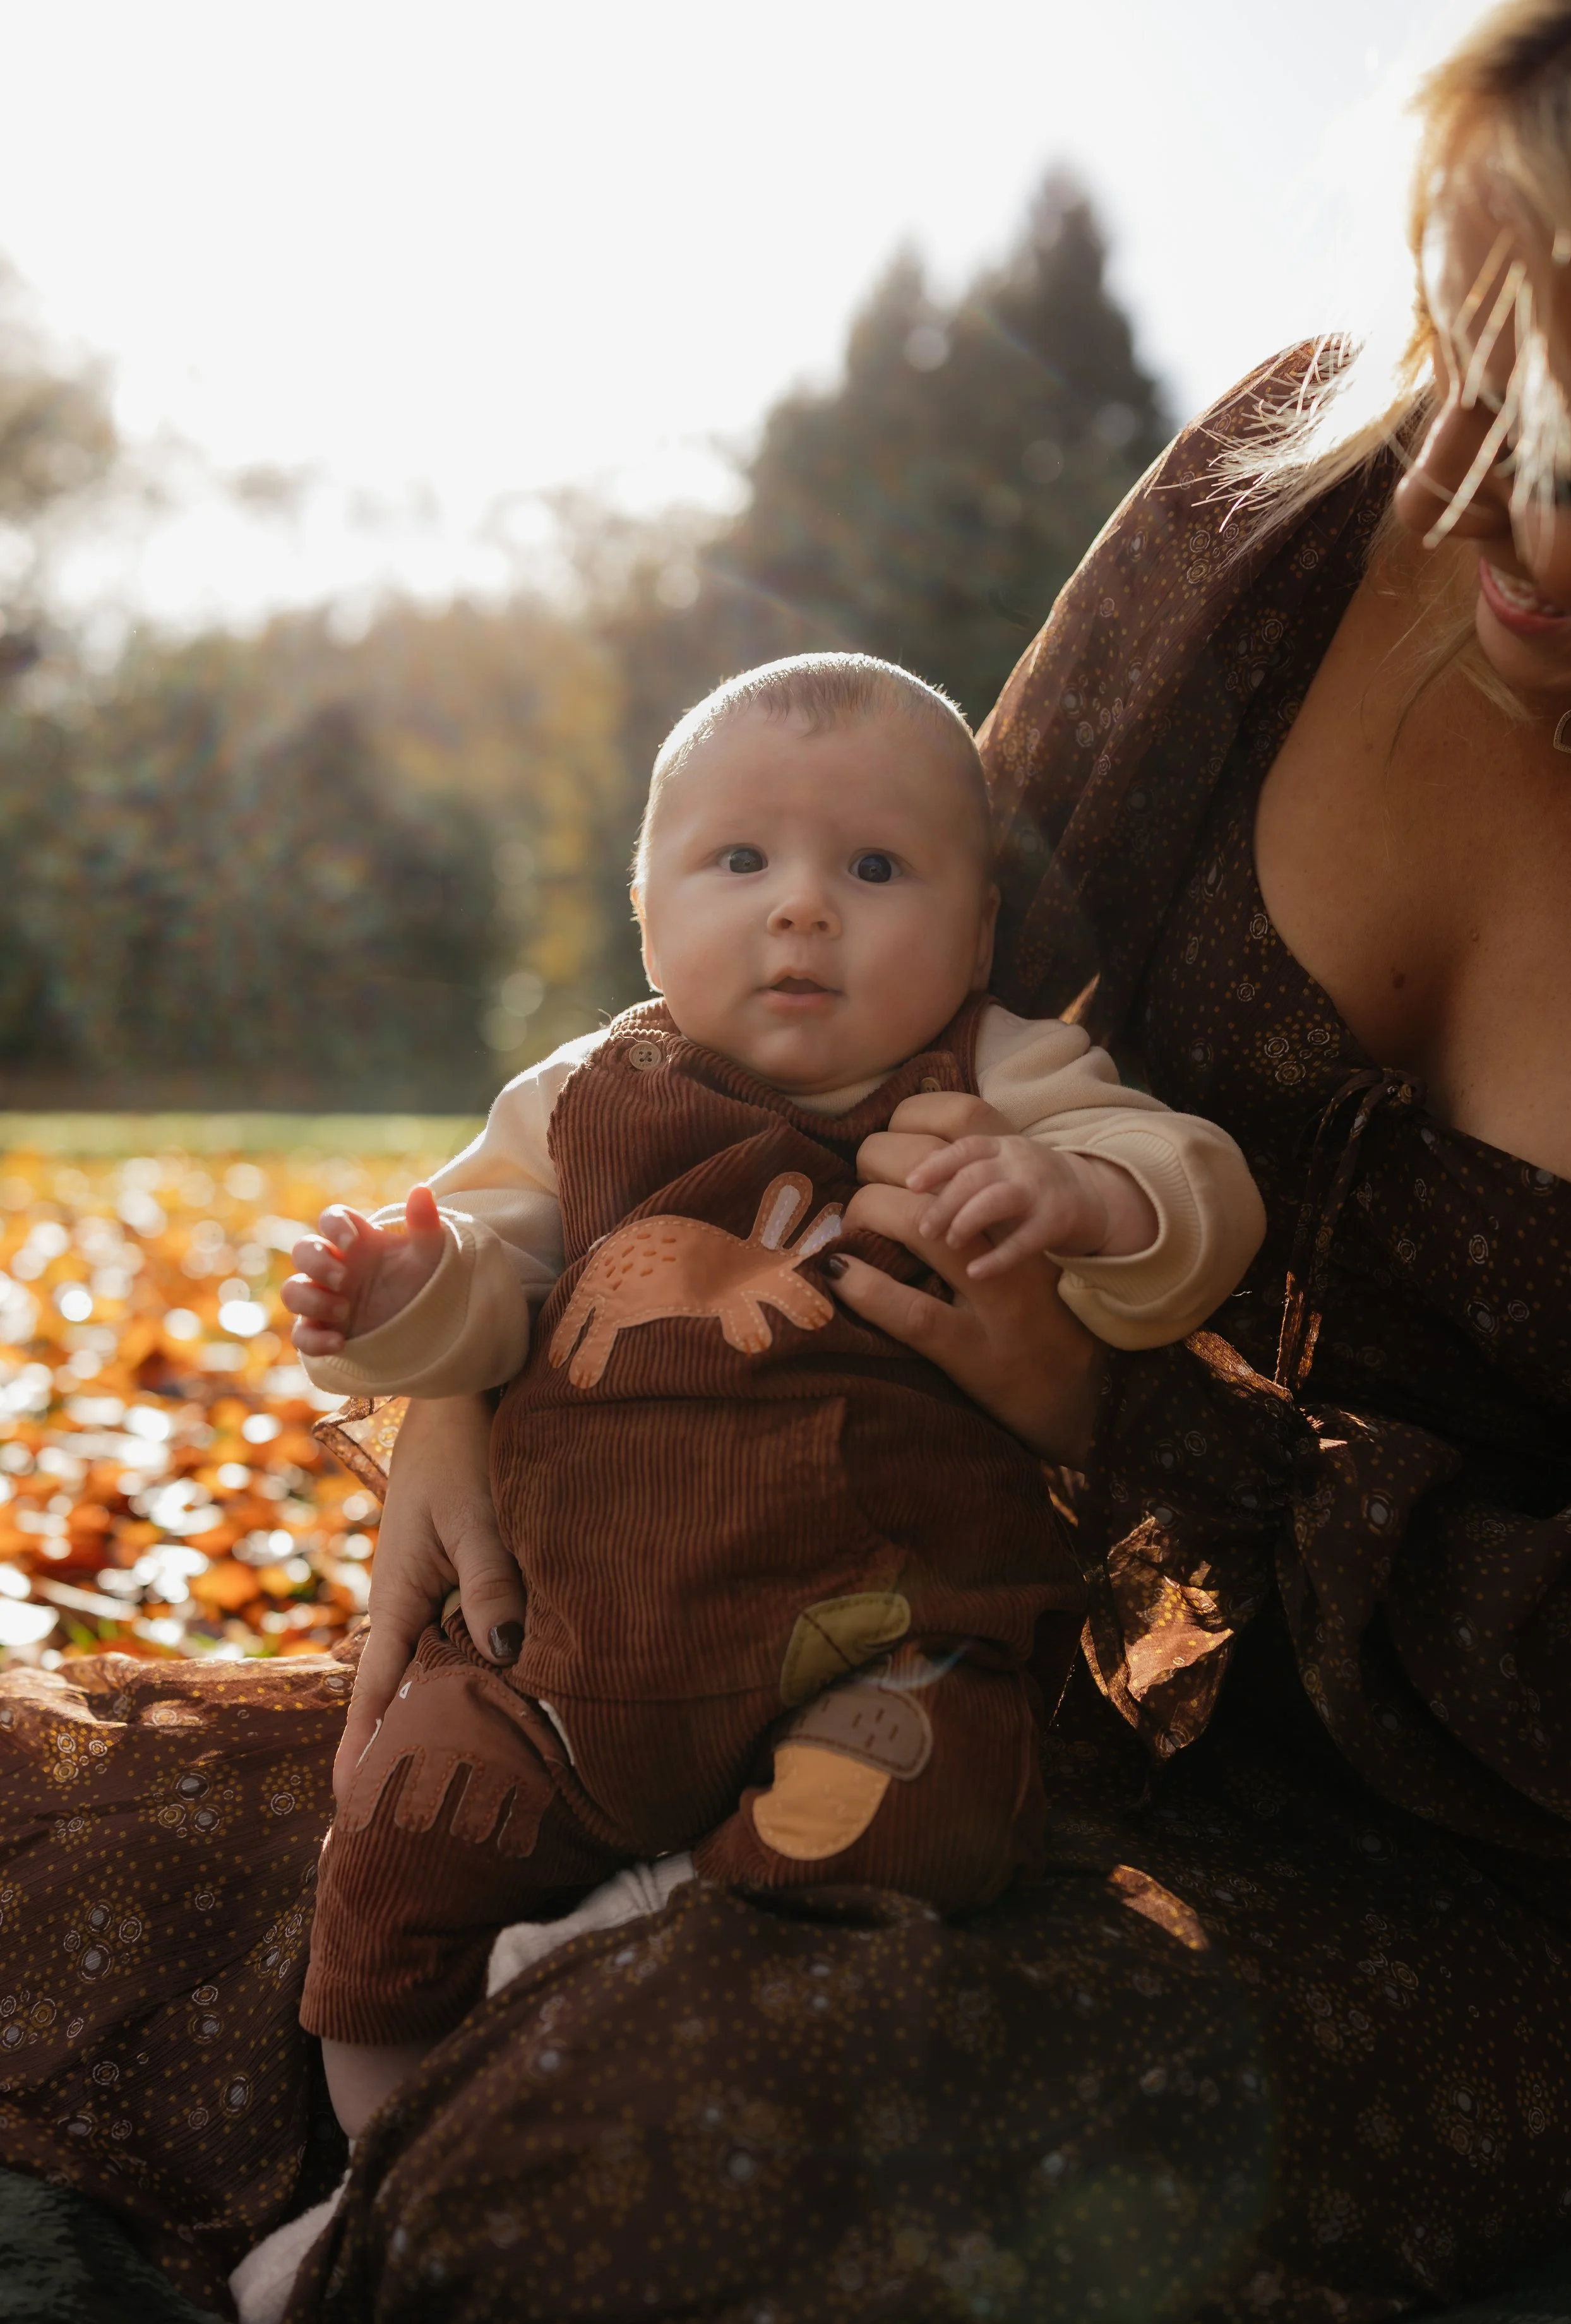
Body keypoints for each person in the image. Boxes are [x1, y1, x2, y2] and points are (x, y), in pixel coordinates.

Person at [3, 3, 1571, 2316]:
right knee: (86, 1840)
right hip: (816, 1588)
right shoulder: (1294, 493)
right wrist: (478, 1366)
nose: (1527, 512)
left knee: (687, 2126)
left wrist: (1130, 1418)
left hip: (1425, 1851)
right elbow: (837, 970)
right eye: (1500, 340)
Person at [280, 652, 1264, 2136]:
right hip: (563, 1664)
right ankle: (384, 2174)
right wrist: (399, 1299)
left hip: (881, 1653)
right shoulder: (579, 1097)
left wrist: (1077, 1192)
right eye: (738, 859)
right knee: (397, 1828)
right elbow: (484, 1293)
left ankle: (662, 1921)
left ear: (981, 925)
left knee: (930, 1811)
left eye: (874, 866)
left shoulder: (1004, 1074)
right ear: (647, 907)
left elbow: (1201, 1197)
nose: (801, 905)